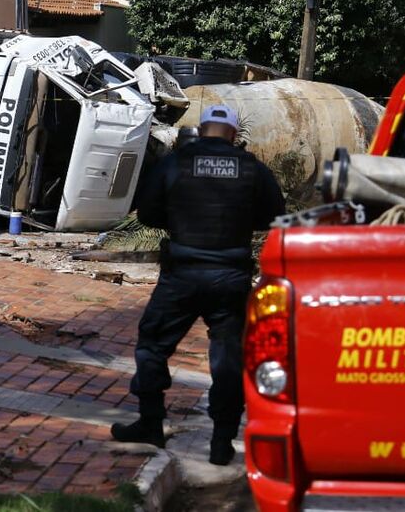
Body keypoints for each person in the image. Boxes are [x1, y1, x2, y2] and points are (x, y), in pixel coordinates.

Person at [111, 104, 285, 466]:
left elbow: (147, 213)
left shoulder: (176, 163)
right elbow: (272, 213)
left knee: (153, 344)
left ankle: (151, 422)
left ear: (203, 129)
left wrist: (178, 217)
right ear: (234, 134)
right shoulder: (251, 168)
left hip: (182, 275)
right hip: (230, 278)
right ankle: (221, 442)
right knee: (228, 358)